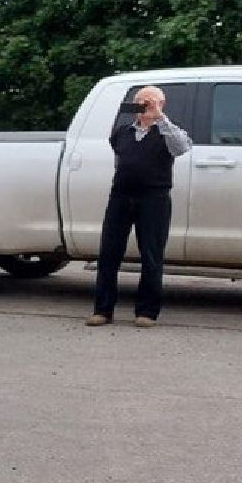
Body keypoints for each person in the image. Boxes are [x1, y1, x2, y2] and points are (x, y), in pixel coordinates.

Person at [88, 85, 190, 328]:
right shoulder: (122, 132)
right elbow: (119, 158)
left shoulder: (168, 132)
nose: (145, 106)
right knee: (109, 253)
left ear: (161, 105)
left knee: (151, 255)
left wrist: (160, 118)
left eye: (150, 102)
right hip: (121, 196)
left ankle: (147, 312)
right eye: (141, 102)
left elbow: (182, 147)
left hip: (154, 198)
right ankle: (102, 310)